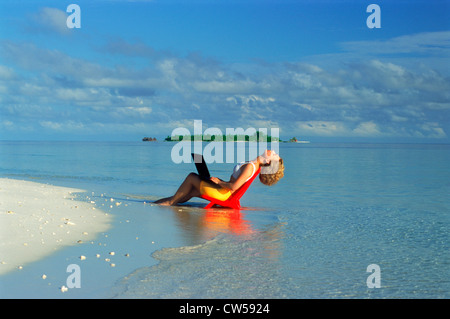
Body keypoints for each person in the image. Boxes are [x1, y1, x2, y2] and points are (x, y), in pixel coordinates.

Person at [154, 150, 284, 206]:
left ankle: (170, 203)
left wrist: (219, 182)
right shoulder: (253, 165)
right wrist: (219, 182)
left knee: (191, 176)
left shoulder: (251, 166)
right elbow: (233, 183)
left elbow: (233, 187)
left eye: (274, 154)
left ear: (267, 162)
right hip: (222, 190)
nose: (272, 151)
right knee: (187, 193)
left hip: (223, 193)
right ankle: (154, 205)